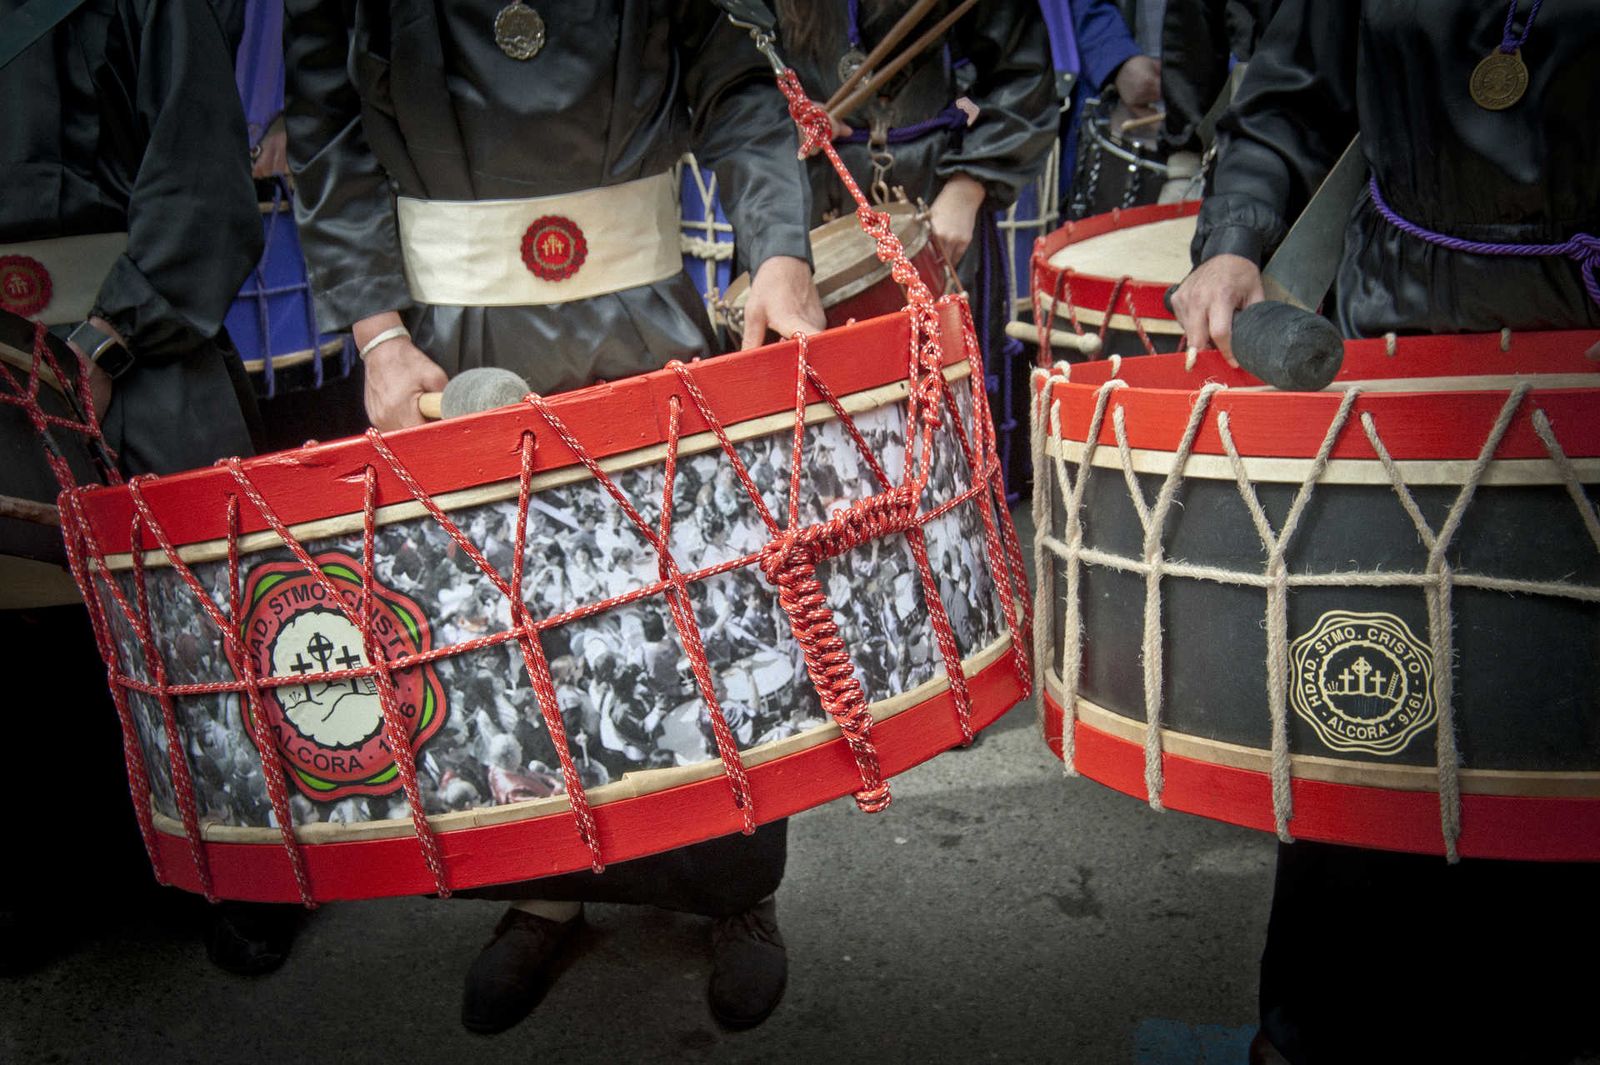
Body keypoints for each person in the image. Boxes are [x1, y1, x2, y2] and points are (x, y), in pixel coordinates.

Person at [283, 0, 825, 1035]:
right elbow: (326, 124)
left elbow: (738, 87)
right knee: (498, 642)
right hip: (457, 346)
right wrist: (377, 334)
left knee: (694, 627)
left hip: (647, 324)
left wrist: (778, 251)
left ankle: (735, 891)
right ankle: (544, 895)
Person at [1169, 4, 1600, 1061]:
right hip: (1396, 344)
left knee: (1574, 735)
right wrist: (1234, 242)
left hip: (1587, 348)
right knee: (1366, 707)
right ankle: (1319, 1032)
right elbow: (1289, 101)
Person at [0, 0, 302, 976]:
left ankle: (244, 871)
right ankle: (66, 871)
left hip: (139, 341)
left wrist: (109, 336)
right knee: (25, 623)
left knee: (190, 613)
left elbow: (203, 181)